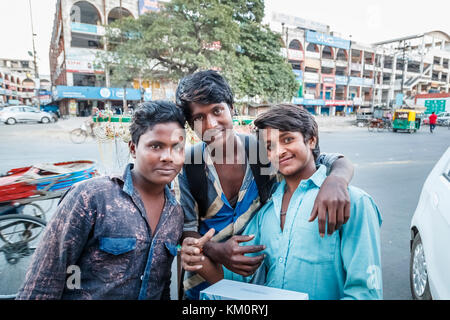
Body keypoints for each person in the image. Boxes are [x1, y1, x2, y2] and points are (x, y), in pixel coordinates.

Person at [174, 70, 355, 299]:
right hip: (203, 286)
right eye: (199, 117)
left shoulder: (263, 150)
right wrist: (216, 250)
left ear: (232, 108)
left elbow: (321, 159)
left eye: (217, 110)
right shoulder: (189, 164)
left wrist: (338, 178)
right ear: (191, 125)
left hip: (257, 287)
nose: (211, 123)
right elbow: (187, 228)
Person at [16, 101, 186, 300]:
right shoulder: (91, 197)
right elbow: (42, 283)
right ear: (133, 148)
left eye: (177, 148)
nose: (168, 157)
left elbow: (160, 287)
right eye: (156, 146)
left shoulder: (175, 214)